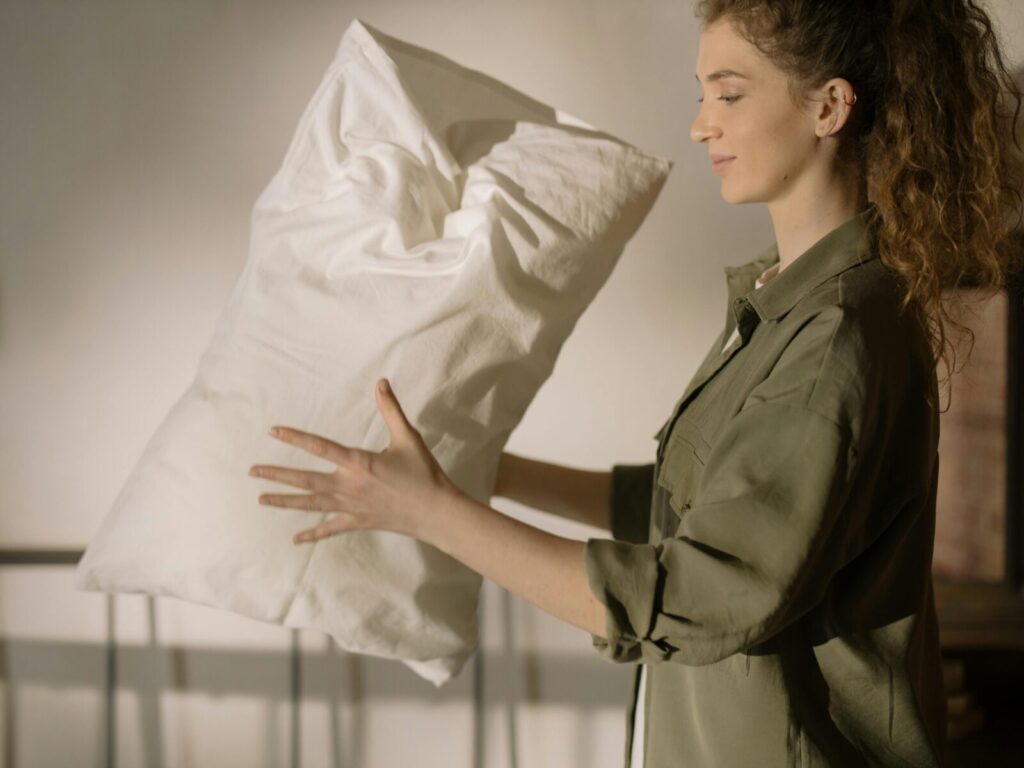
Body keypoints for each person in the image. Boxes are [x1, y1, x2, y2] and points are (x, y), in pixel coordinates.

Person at [248, 0, 1023, 765]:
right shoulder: (784, 307)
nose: (700, 124)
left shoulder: (836, 337)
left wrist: (434, 514)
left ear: (829, 105)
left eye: (729, 92)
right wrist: (491, 473)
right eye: (701, 94)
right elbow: (690, 507)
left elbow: (694, 592)